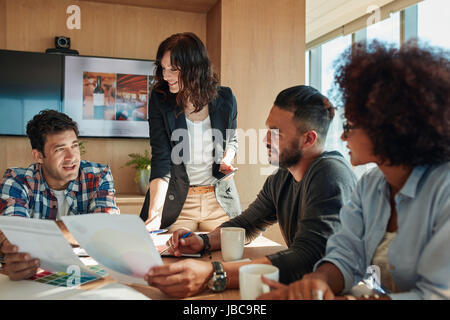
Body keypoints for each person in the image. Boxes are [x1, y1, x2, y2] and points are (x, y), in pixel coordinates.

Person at [259, 40, 450, 300]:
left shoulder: (444, 191)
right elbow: (345, 257)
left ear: (391, 129)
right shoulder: (370, 186)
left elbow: (438, 295)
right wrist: (317, 282)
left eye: (351, 125)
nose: (344, 137)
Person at [144, 85, 358, 298]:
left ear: (308, 139)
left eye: (276, 132)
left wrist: (214, 273)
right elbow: (246, 224)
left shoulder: (330, 173)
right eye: (268, 129)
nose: (265, 139)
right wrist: (203, 241)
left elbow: (308, 258)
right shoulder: (282, 178)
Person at [0, 109, 119, 280]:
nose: (72, 157)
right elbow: (13, 238)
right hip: (34, 280)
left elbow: (104, 229)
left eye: (74, 146)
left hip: (87, 277)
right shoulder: (16, 180)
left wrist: (35, 237)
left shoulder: (99, 175)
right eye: (60, 149)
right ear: (39, 156)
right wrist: (18, 256)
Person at [144, 32, 241, 232]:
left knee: (231, 255)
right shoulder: (160, 100)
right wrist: (155, 214)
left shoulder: (226, 98)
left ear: (195, 69)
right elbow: (161, 160)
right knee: (178, 254)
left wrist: (227, 158)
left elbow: (232, 139)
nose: (165, 76)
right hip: (179, 201)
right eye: (163, 68)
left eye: (173, 69)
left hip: (219, 199)